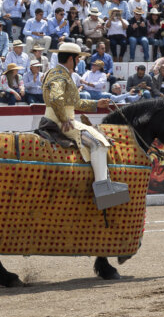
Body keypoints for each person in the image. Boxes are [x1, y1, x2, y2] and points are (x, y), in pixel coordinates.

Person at [42, 41, 125, 215]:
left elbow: (75, 102)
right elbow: (57, 100)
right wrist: (65, 119)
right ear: (72, 59)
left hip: (63, 118)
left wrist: (97, 104)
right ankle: (103, 194)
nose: (80, 61)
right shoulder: (59, 75)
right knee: (98, 143)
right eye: (79, 57)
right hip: (60, 121)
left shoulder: (62, 74)